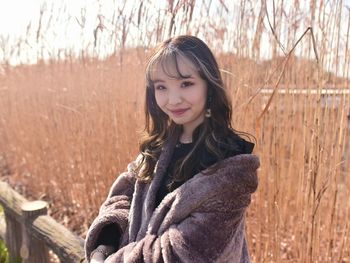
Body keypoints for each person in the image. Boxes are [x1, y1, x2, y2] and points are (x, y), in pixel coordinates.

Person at [84, 35, 260, 263]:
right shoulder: (158, 146)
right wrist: (103, 247)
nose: (173, 99)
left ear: (209, 84)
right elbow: (122, 200)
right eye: (161, 87)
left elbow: (185, 252)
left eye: (186, 84)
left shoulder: (231, 164)